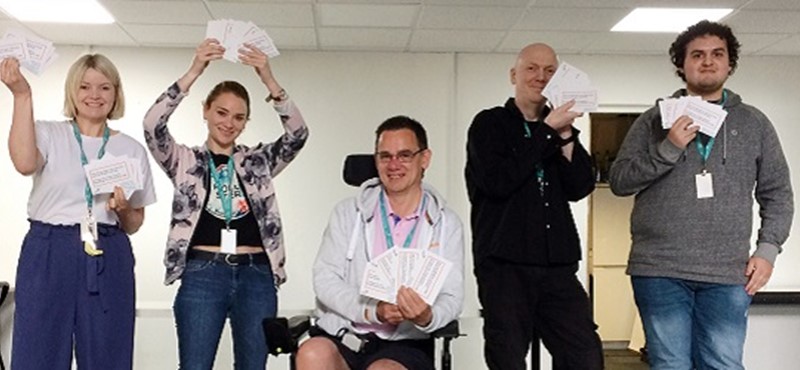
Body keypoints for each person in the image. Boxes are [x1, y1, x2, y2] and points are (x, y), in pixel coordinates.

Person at [608, 20, 794, 370]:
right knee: (669, 364)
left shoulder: (755, 123)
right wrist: (668, 148)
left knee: (723, 364)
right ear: (682, 64)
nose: (707, 61)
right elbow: (620, 181)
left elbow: (778, 194)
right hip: (659, 268)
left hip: (728, 272)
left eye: (717, 54)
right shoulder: (652, 121)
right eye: (697, 55)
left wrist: (767, 250)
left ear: (729, 64)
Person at [143, 39, 308, 369]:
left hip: (256, 274)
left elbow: (298, 135)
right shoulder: (185, 161)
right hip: (203, 272)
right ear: (205, 110)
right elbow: (152, 126)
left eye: (239, 117)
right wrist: (194, 71)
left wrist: (268, 79)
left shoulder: (258, 162)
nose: (228, 123)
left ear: (246, 122)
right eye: (221, 112)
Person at [2, 54, 157, 369]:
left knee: (108, 352)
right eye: (85, 86)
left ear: (116, 93)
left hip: (108, 250)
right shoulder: (47, 133)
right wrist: (22, 94)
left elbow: (134, 222)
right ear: (72, 92)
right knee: (37, 350)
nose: (94, 95)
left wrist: (124, 207)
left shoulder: (131, 150)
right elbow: (24, 163)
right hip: (48, 248)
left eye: (104, 87)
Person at [465, 43, 603, 370]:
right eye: (531, 68)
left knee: (585, 354)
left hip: (557, 263)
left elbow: (579, 187)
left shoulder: (559, 130)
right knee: (508, 357)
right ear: (514, 75)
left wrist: (566, 133)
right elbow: (497, 182)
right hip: (504, 266)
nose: (540, 77)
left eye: (549, 70)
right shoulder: (489, 124)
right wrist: (547, 132)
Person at [295, 116, 464, 370]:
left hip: (406, 343)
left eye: (404, 155)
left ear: (424, 159)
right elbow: (325, 279)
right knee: (311, 354)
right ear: (376, 161)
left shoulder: (446, 223)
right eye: (385, 156)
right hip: (346, 332)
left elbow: (451, 295)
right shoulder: (347, 213)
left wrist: (428, 316)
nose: (393, 164)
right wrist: (374, 311)